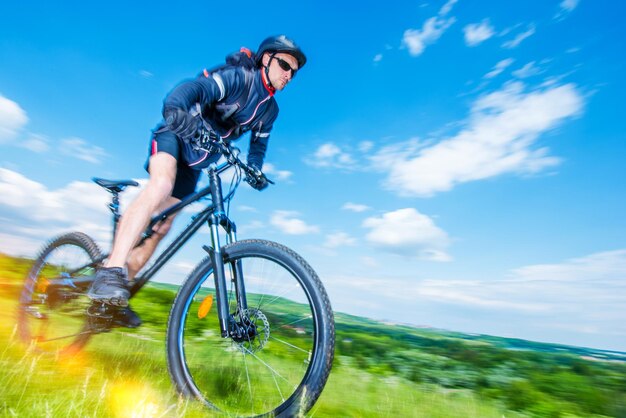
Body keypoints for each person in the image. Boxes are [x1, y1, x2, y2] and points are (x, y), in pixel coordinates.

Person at [87, 35, 306, 326]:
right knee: (161, 185)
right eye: (284, 65)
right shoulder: (239, 78)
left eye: (294, 71)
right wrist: (176, 108)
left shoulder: (270, 110)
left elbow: (259, 144)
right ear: (266, 59)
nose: (289, 75)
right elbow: (196, 88)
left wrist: (255, 169)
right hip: (176, 135)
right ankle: (111, 271)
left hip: (197, 161)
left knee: (163, 225)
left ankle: (119, 295)